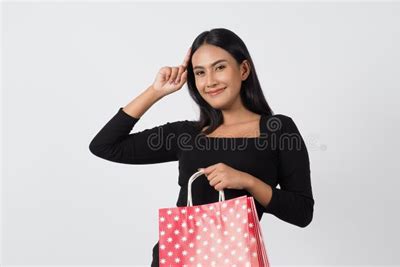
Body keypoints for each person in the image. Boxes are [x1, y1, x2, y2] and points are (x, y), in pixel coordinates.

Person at [88, 28, 314, 266]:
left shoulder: (278, 129)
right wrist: (156, 91)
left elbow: (301, 212)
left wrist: (247, 181)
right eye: (200, 72)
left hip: (234, 260)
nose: (210, 81)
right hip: (175, 259)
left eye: (219, 67)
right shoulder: (187, 134)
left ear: (243, 69)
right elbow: (105, 145)